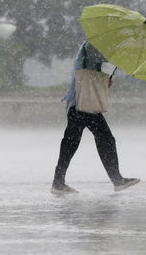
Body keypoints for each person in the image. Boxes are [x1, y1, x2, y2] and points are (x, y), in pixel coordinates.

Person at [51, 41, 140, 195]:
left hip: (78, 101)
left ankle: (58, 182)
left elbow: (95, 67)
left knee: (71, 143)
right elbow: (98, 60)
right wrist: (120, 53)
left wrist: (105, 79)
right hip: (83, 101)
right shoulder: (92, 44)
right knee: (104, 138)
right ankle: (117, 179)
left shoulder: (92, 44)